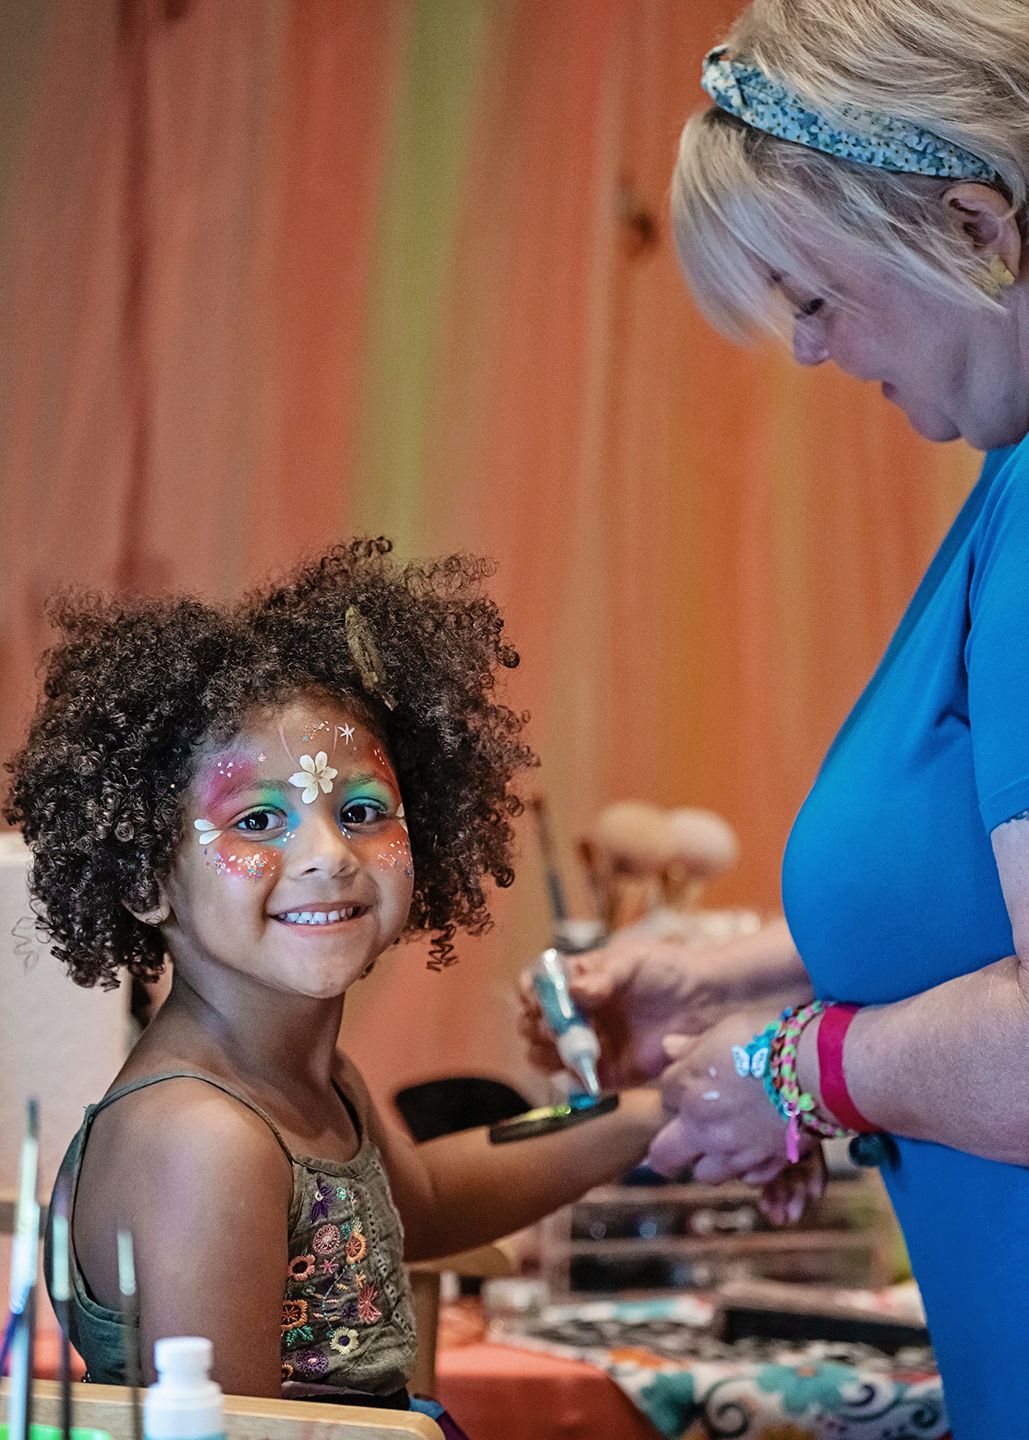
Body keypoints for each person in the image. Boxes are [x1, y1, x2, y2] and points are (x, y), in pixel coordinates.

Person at [523, 3, 1029, 1434]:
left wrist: (795, 1074)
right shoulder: (1006, 481)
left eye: (815, 297)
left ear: (975, 228)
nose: (807, 352)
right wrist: (735, 980)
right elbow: (980, 916)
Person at [5, 540, 671, 1433]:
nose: (326, 854)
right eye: (258, 820)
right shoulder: (204, 1139)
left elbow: (422, 1206)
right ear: (144, 880)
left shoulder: (308, 1077)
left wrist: (657, 1113)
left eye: (360, 811)